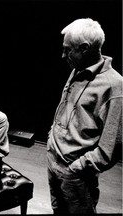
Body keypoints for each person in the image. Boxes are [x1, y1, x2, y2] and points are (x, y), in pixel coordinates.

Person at [47, 18, 122, 215]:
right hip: (54, 161)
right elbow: (67, 110)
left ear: (85, 48)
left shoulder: (115, 86)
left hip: (76, 174)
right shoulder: (77, 69)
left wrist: (78, 167)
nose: (63, 55)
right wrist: (51, 140)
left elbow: (112, 147)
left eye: (68, 49)